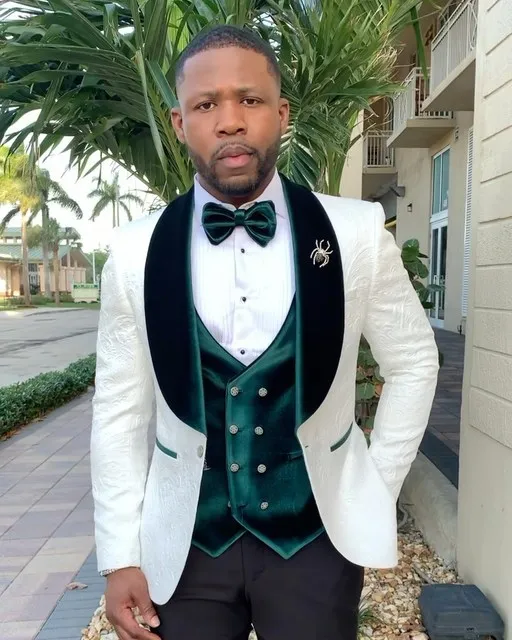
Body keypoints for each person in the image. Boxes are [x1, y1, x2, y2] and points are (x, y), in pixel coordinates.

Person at [90, 24, 439, 640]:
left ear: (280, 114)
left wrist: (373, 487)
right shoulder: (134, 251)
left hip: (316, 540)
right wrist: (119, 555)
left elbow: (413, 360)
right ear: (179, 123)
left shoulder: (355, 233)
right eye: (206, 104)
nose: (230, 121)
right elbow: (118, 411)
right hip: (187, 543)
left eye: (249, 99)